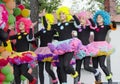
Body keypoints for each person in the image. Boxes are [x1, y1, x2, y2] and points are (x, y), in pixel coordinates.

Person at [48, 6, 82, 84]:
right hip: (60, 47)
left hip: (69, 46)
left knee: (66, 65)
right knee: (61, 67)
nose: (62, 15)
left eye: (63, 14)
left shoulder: (70, 24)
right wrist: (44, 17)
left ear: (67, 15)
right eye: (60, 14)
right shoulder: (58, 25)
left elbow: (78, 24)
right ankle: (64, 82)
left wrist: (73, 15)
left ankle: (75, 74)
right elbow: (48, 27)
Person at [74, 11, 101, 84]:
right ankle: (77, 82)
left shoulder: (88, 27)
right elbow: (77, 22)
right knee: (77, 68)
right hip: (79, 49)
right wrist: (74, 15)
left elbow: (94, 25)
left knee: (86, 66)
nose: (81, 20)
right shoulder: (78, 27)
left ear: (85, 20)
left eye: (83, 19)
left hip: (86, 49)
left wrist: (90, 18)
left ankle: (96, 72)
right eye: (80, 19)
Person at [7, 18, 37, 84]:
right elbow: (8, 37)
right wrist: (9, 29)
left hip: (24, 56)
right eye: (19, 24)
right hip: (17, 56)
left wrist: (31, 28)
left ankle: (32, 80)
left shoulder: (27, 35)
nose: (20, 25)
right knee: (16, 74)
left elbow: (30, 37)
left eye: (22, 24)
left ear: (26, 25)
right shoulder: (17, 35)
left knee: (23, 72)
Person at [92, 10, 116, 84]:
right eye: (97, 17)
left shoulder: (106, 26)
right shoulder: (94, 27)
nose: (98, 19)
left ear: (104, 19)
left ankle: (109, 79)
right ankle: (98, 81)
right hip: (94, 47)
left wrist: (112, 21)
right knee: (95, 66)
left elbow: (113, 28)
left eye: (100, 17)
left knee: (102, 64)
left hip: (102, 47)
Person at [34, 12, 58, 84]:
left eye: (48, 20)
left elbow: (47, 25)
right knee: (40, 70)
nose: (46, 22)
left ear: (50, 21)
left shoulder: (52, 30)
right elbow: (33, 36)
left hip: (48, 51)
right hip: (41, 51)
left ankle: (54, 79)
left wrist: (44, 16)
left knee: (47, 68)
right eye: (46, 20)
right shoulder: (42, 31)